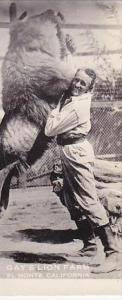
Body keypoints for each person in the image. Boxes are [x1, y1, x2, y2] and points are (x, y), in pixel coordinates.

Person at [45, 68, 121, 273]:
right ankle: (89, 246)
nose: (77, 85)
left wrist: (55, 106)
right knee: (71, 199)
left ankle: (113, 254)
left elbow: (50, 129)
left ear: (89, 88)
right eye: (76, 80)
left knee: (88, 201)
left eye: (82, 84)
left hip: (76, 152)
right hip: (69, 150)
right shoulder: (73, 99)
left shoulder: (77, 106)